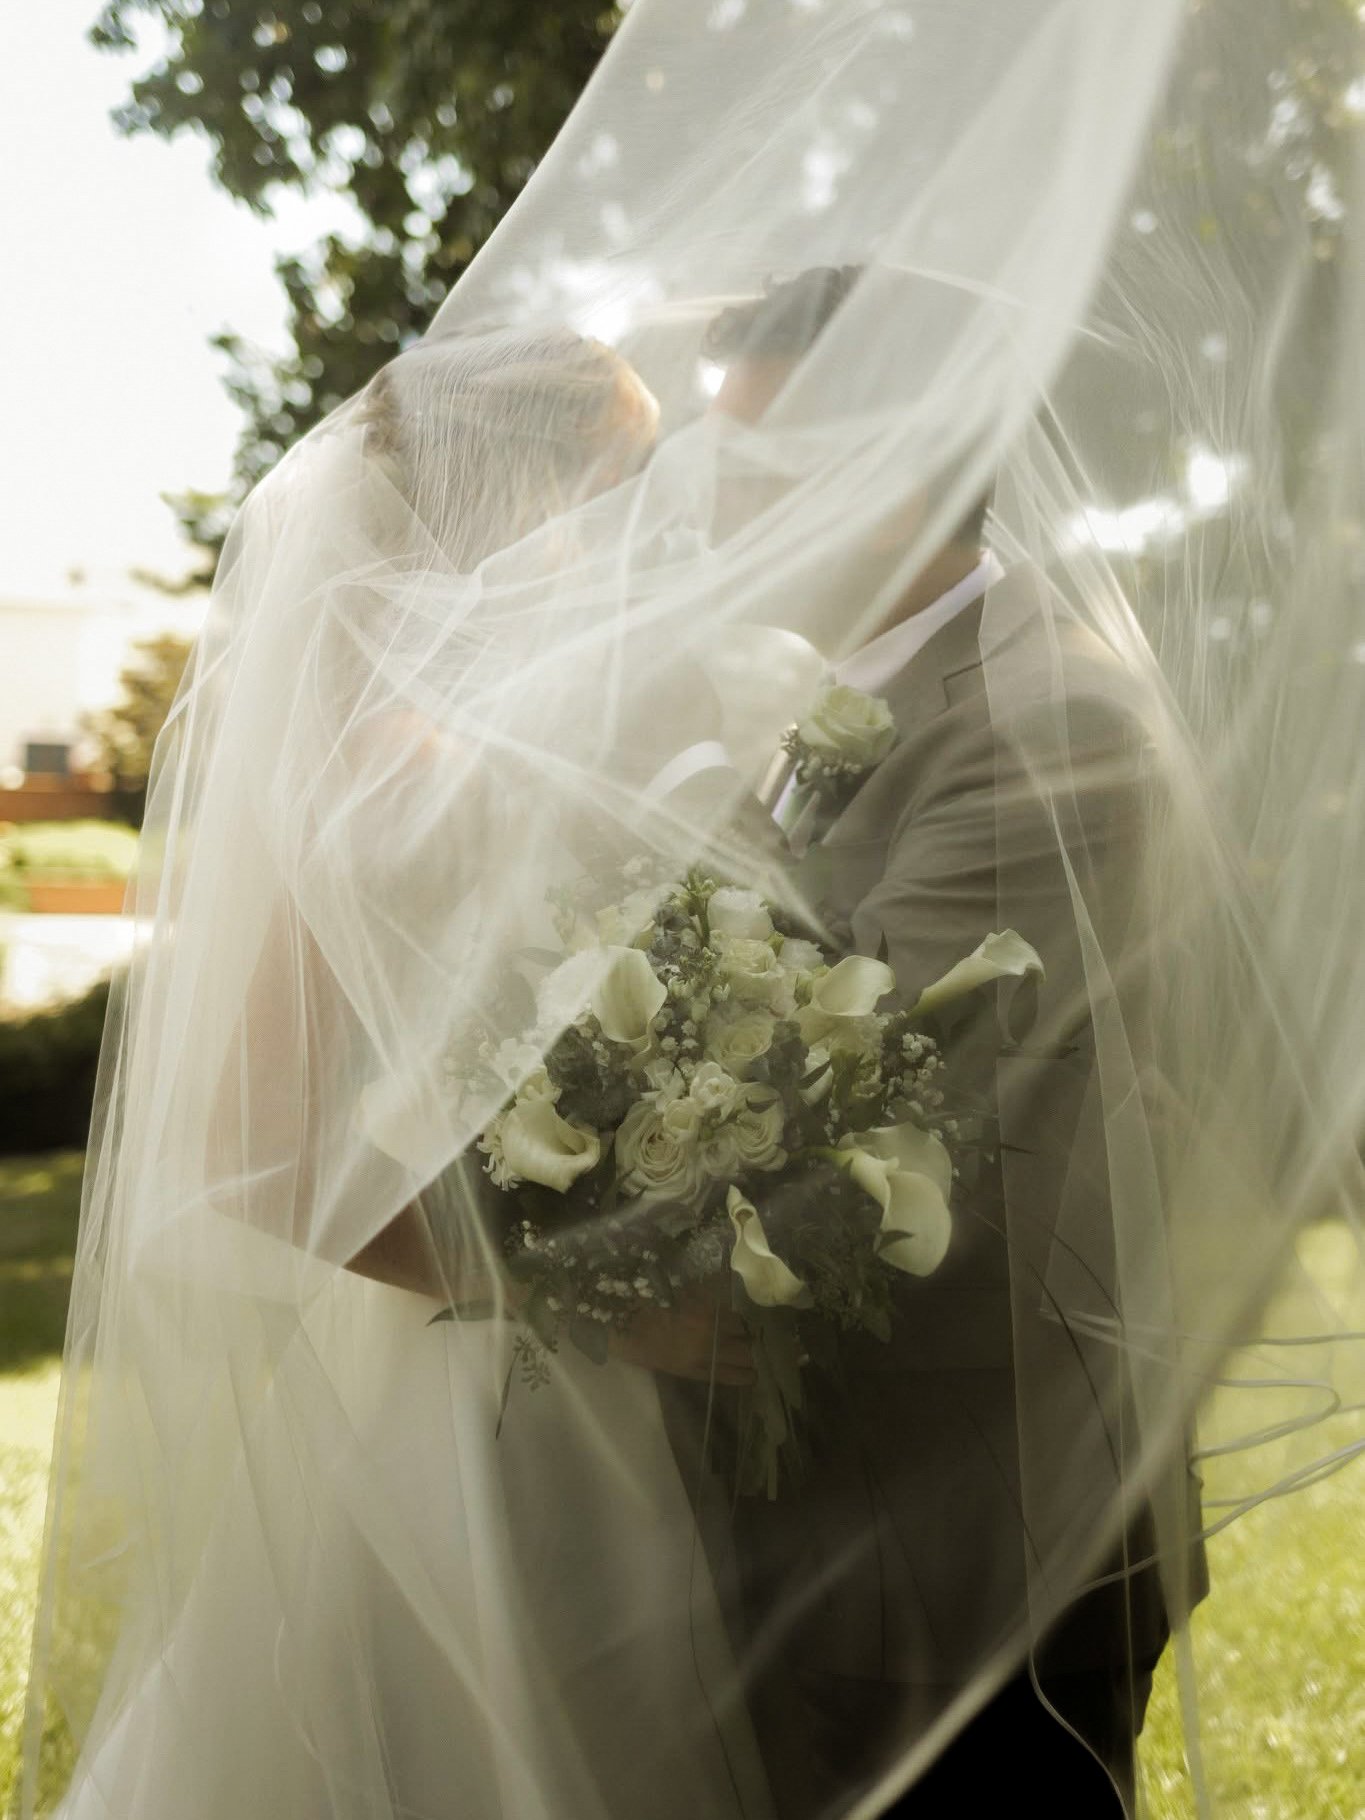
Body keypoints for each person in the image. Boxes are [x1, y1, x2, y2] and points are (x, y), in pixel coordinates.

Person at [653, 269, 1208, 1817]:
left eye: (752, 472)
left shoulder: (1047, 719)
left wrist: (674, 768)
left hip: (965, 1510)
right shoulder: (862, 694)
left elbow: (857, 1076)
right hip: (839, 1483)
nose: (710, 512)